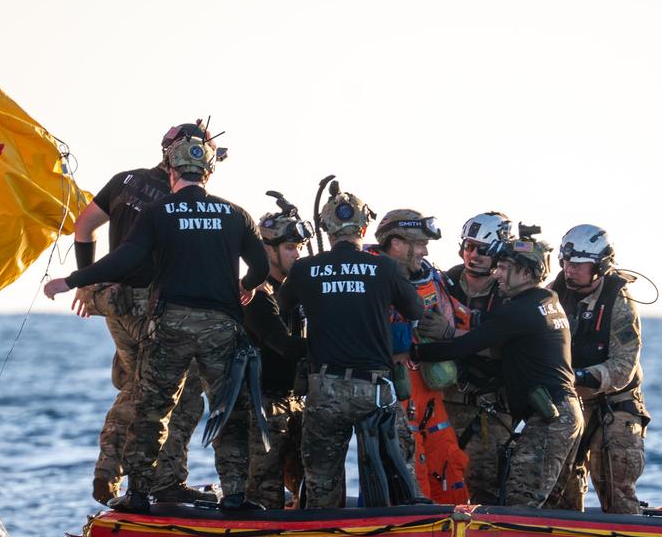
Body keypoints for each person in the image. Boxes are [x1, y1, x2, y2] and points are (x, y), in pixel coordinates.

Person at [44, 124, 269, 511]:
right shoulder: (235, 214)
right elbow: (261, 266)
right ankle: (234, 494)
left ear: (171, 169)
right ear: (210, 171)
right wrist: (246, 286)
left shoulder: (157, 211)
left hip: (168, 325)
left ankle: (138, 492)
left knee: (151, 407)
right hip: (219, 327)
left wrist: (75, 279)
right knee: (226, 409)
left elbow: (123, 257)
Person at [67, 124, 212, 504]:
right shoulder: (179, 197)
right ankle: (161, 481)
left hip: (114, 301)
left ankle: (107, 472)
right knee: (173, 390)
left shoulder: (123, 181)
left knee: (135, 385)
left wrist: (88, 282)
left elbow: (83, 227)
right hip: (153, 307)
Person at [278, 191, 425, 508]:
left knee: (321, 480)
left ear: (327, 229)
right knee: (399, 469)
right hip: (373, 390)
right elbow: (415, 310)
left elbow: (281, 306)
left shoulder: (305, 269)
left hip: (325, 388)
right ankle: (402, 534)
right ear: (363, 228)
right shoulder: (384, 268)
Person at [414, 232, 582, 508]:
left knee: (519, 497)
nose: (497, 274)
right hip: (565, 411)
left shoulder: (519, 309)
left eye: (504, 269)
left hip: (551, 418)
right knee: (552, 503)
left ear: (526, 274)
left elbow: (465, 346)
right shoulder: (549, 301)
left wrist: (414, 353)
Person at [549, 224, 647, 514]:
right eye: (566, 263)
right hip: (571, 402)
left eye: (579, 264)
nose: (570, 270)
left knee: (616, 486)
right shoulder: (554, 294)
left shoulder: (620, 301)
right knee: (560, 487)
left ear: (600, 265)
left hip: (614, 404)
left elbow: (623, 367)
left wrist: (580, 376)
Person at [374, 208, 467, 504]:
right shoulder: (370, 278)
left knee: (447, 459)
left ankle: (453, 529)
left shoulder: (434, 278)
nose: (425, 251)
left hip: (429, 388)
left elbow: (465, 320)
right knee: (405, 463)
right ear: (397, 243)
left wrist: (448, 332)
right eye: (419, 243)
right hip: (392, 391)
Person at [242, 200, 313, 508]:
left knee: (308, 487)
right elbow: (282, 344)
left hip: (294, 403)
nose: (297, 255)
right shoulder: (256, 295)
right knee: (264, 494)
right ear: (267, 250)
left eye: (299, 247)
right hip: (263, 407)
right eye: (289, 247)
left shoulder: (295, 291)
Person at [442, 212, 514, 503]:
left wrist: (451, 334)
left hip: (490, 410)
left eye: (482, 250)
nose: (473, 255)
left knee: (487, 489)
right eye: (468, 246)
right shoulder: (444, 282)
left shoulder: (511, 290)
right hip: (444, 404)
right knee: (440, 482)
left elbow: (507, 344)